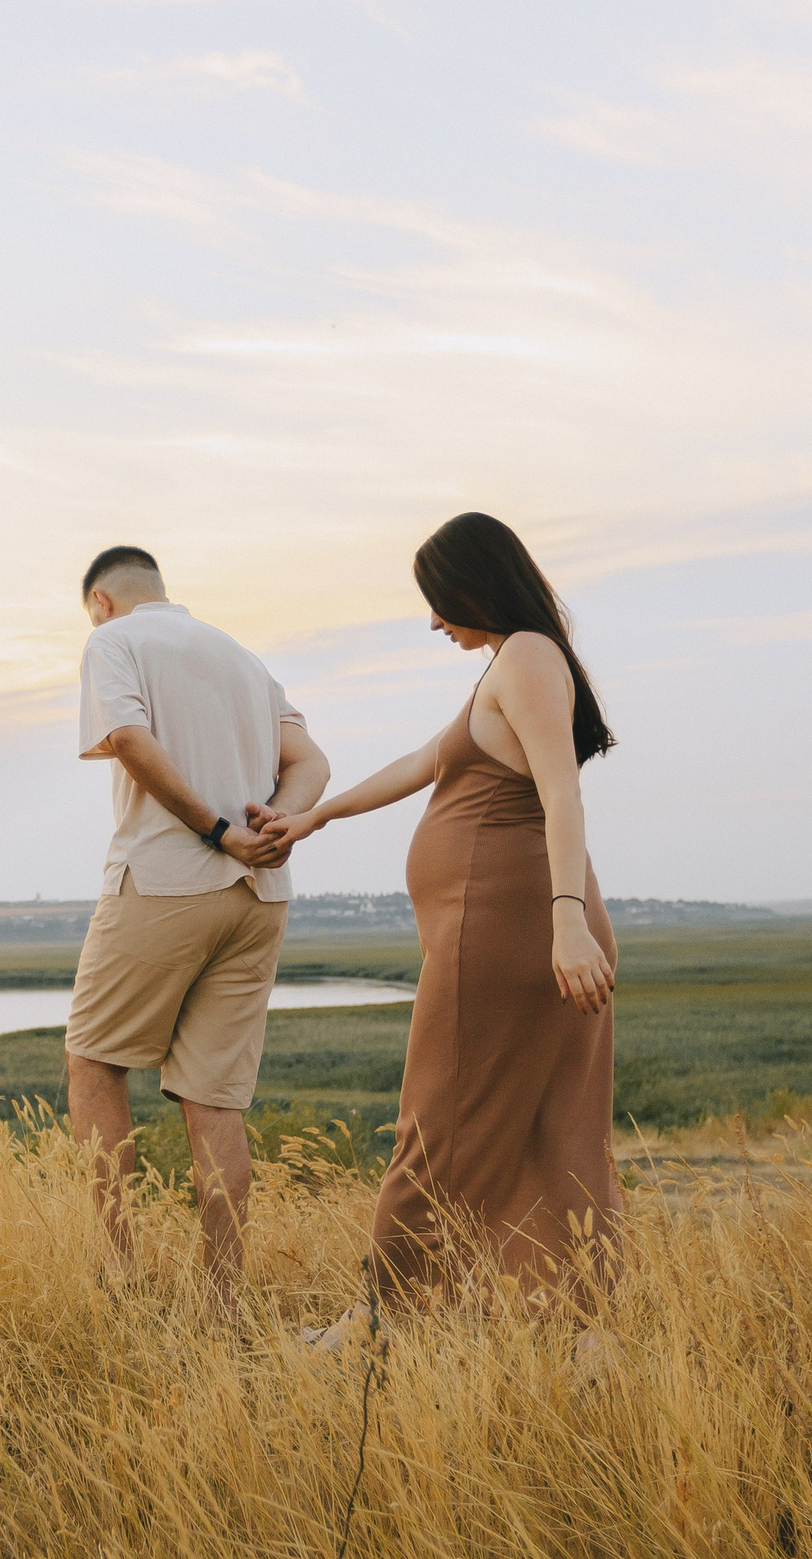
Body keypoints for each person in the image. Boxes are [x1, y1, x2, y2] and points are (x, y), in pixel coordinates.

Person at [263, 513, 619, 1326]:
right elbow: (423, 762)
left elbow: (562, 793)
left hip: (510, 932)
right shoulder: (516, 661)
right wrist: (319, 817)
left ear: (477, 582)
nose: (433, 621)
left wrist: (566, 924)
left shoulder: (526, 655)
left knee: (438, 1130)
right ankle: (575, 1337)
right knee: (554, 1134)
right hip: (533, 929)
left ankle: (382, 1327)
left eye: (440, 600)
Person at [64, 546, 328, 1312]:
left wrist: (217, 830)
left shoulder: (111, 642)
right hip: (262, 895)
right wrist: (279, 822)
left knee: (94, 1062)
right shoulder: (241, 656)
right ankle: (222, 1300)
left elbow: (130, 743)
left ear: (102, 602)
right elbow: (310, 760)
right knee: (213, 1100)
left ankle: (117, 1281)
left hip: (167, 881)